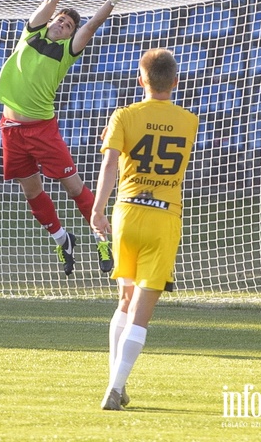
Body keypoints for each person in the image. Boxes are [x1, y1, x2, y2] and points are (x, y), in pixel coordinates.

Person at [0, 0, 132, 276]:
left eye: (68, 25)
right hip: (11, 129)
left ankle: (103, 240)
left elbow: (92, 26)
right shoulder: (31, 32)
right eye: (61, 21)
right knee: (31, 191)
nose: (62, 25)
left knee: (75, 189)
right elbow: (49, 2)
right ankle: (61, 238)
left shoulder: (66, 50)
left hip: (42, 129)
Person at [90, 48, 199, 410]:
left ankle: (114, 384)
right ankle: (115, 387)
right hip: (164, 217)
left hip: (127, 214)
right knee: (142, 312)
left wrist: (98, 209)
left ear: (141, 79)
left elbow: (109, 166)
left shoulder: (123, 115)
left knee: (124, 299)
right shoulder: (189, 121)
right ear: (177, 81)